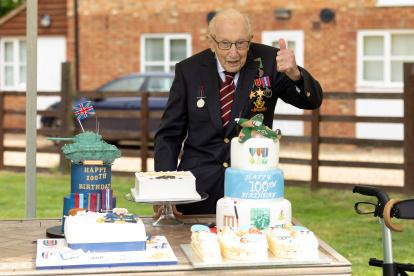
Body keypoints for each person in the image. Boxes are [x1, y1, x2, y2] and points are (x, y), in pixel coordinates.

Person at [153, 8, 322, 215]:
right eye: (225, 44)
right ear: (212, 42)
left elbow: (311, 101)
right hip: (197, 190)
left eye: (241, 43)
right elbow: (169, 135)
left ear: (250, 41)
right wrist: (164, 190)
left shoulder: (270, 61)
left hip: (252, 190)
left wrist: (295, 74)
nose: (233, 53)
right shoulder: (189, 70)